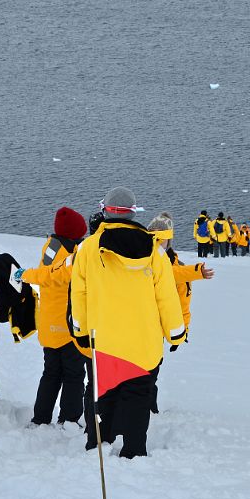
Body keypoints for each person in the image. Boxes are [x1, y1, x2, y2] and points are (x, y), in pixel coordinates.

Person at [70, 187, 186, 459]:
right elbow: (166, 297)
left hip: (105, 340)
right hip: (143, 343)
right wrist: (175, 333)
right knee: (137, 396)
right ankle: (134, 449)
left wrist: (81, 330)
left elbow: (79, 293)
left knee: (103, 395)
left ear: (105, 210)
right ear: (133, 212)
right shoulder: (155, 252)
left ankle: (99, 443)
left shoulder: (87, 249)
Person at [16, 206, 87, 425]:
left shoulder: (52, 246)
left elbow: (44, 275)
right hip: (67, 326)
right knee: (74, 376)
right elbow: (59, 276)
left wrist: (28, 275)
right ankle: (70, 419)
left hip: (48, 325)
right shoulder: (70, 254)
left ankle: (41, 418)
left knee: (51, 374)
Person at [147, 212, 213, 414]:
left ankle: (149, 410)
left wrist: (181, 330)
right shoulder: (151, 261)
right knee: (147, 373)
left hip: (158, 327)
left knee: (150, 373)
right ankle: (146, 412)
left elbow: (182, 300)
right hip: (150, 326)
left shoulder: (172, 261)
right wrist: (196, 271)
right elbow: (169, 277)